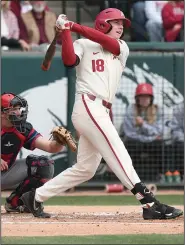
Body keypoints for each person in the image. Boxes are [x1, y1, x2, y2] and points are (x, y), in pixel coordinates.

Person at [21, 8, 183, 220]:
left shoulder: (122, 47)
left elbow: (108, 43)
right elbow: (69, 61)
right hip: (88, 104)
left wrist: (73, 26)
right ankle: (149, 202)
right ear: (103, 24)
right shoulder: (83, 44)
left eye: (122, 24)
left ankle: (35, 196)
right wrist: (67, 33)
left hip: (102, 109)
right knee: (118, 151)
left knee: (86, 169)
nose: (120, 27)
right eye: (115, 22)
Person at [1, 93, 65, 218]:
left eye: (19, 108)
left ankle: (16, 203)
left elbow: (50, 147)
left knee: (44, 165)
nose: (18, 112)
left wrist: (60, 141)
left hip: (6, 172)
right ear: (2, 112)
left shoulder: (23, 129)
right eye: (13, 109)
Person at [121, 83, 164, 181]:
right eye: (142, 97)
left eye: (147, 97)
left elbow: (159, 131)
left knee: (160, 144)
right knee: (130, 144)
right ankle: (130, 177)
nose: (145, 100)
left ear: (151, 99)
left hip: (152, 142)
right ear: (137, 99)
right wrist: (148, 137)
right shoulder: (130, 109)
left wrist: (143, 125)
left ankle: (159, 175)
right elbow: (129, 133)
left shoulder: (157, 110)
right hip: (136, 141)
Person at [170, 102, 184, 178]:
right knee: (181, 145)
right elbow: (176, 128)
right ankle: (182, 175)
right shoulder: (179, 108)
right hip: (183, 138)